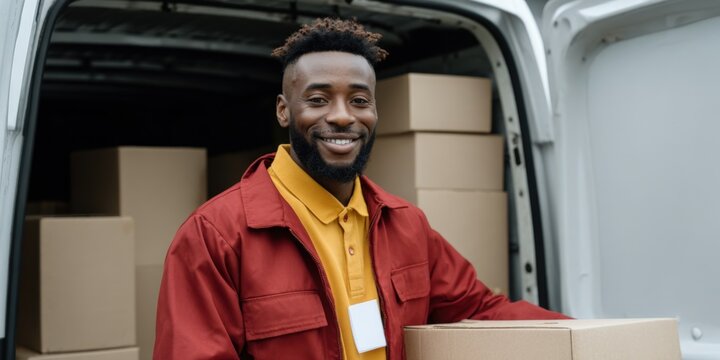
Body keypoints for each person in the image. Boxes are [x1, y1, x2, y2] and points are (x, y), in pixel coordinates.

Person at [154, 17, 568, 360]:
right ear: (284, 110)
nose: (340, 117)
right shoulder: (216, 235)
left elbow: (479, 311)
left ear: (374, 110)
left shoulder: (406, 225)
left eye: (358, 100)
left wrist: (584, 336)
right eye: (317, 99)